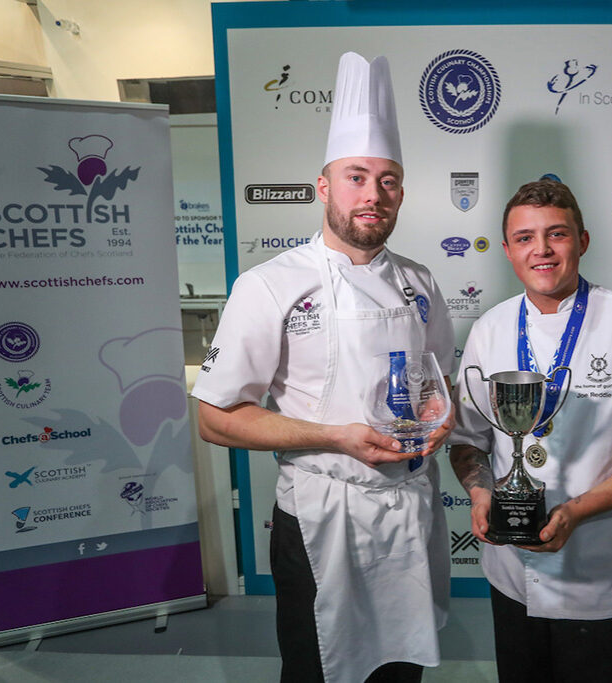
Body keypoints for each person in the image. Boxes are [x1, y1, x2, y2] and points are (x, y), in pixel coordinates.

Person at [192, 52, 456, 683]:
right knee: (318, 670)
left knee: (400, 670)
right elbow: (214, 419)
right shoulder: (269, 285)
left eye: (388, 180)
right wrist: (334, 436)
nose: (373, 195)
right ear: (324, 186)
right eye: (356, 176)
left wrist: (434, 415)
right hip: (320, 517)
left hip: (408, 511)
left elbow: (435, 382)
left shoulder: (420, 282)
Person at [448, 179, 612, 683]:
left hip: (600, 575)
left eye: (556, 234)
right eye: (524, 238)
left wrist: (575, 512)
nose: (541, 250)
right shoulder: (489, 329)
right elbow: (468, 441)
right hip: (512, 576)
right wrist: (479, 493)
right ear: (507, 251)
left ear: (582, 241)